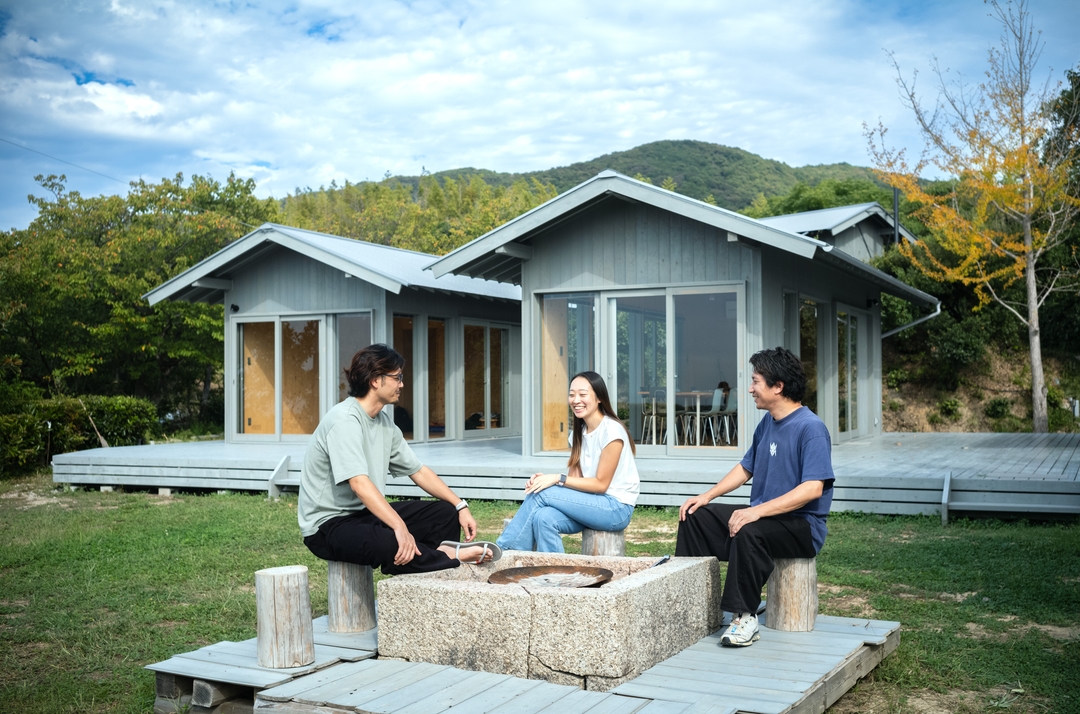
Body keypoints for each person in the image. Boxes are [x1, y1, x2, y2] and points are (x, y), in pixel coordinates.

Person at [676, 347, 834, 647]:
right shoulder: (768, 424)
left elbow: (812, 488)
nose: (750, 389)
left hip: (802, 526)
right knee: (694, 516)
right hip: (767, 517)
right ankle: (694, 606)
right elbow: (746, 468)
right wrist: (707, 496)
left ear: (778, 386)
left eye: (756, 381)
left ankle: (744, 616)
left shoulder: (811, 428)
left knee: (748, 528)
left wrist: (757, 512)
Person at [299, 344, 500, 574]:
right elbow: (359, 484)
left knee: (444, 514)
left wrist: (460, 505)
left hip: (363, 515)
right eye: (397, 377)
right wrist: (399, 525)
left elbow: (418, 471)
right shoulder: (344, 421)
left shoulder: (383, 423)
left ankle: (438, 559)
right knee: (392, 543)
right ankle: (448, 556)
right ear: (375, 380)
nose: (402, 384)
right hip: (327, 526)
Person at [497, 371, 639, 553]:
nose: (575, 400)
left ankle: (506, 550)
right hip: (592, 503)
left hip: (616, 509)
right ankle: (553, 575)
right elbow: (574, 482)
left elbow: (601, 484)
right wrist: (546, 481)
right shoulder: (578, 434)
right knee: (543, 517)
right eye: (572, 394)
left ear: (599, 398)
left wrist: (555, 480)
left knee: (543, 493)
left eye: (582, 394)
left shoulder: (612, 431)